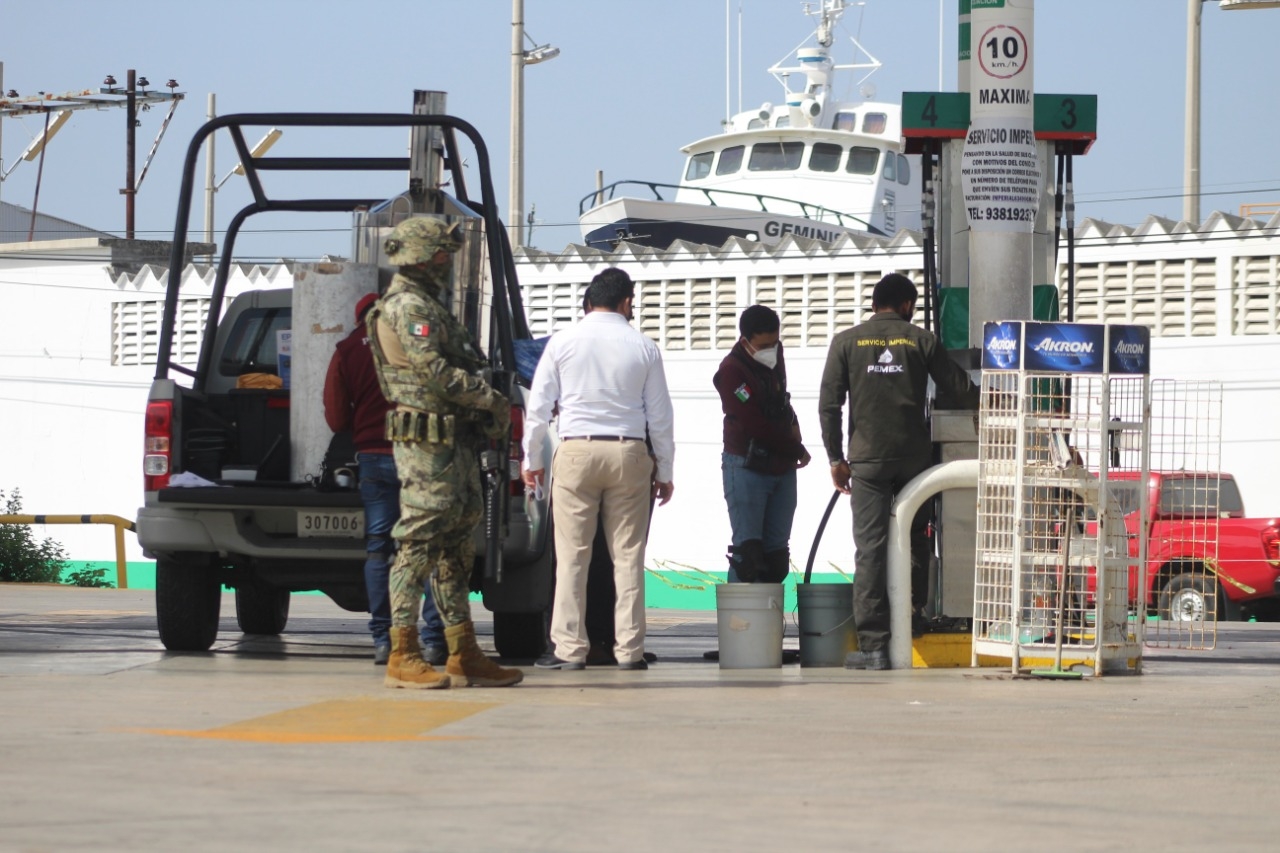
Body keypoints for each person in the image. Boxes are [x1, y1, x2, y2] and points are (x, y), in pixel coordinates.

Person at [365, 216, 523, 689]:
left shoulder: (427, 302)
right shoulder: (409, 305)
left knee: (457, 544)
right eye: (441, 254)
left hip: (454, 441)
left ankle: (462, 650)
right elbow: (433, 371)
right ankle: (403, 649)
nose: (446, 263)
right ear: (422, 256)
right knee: (417, 542)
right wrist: (489, 399)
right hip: (427, 446)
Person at [817, 273, 978, 670]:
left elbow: (829, 405)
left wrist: (836, 458)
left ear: (875, 304)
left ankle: (873, 647)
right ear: (907, 305)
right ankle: (914, 617)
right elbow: (958, 387)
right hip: (914, 461)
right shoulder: (921, 340)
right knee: (915, 538)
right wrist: (1002, 399)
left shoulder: (846, 342)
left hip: (868, 461)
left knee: (870, 550)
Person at [522, 267, 675, 671]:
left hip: (576, 452)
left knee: (573, 557)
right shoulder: (644, 346)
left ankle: (570, 651)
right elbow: (660, 416)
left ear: (590, 300)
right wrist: (665, 470)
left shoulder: (563, 342)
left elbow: (538, 408)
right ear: (626, 302)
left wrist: (530, 460)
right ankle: (630, 651)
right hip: (628, 454)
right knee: (628, 557)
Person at [323, 292, 448, 667]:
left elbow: (335, 416)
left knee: (379, 548)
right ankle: (433, 641)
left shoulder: (347, 349)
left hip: (374, 459)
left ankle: (383, 639)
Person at [715, 304, 811, 582]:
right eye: (764, 345)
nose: (771, 350)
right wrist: (796, 449)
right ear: (746, 342)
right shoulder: (731, 371)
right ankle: (740, 624)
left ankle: (769, 623)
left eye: (775, 342)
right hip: (746, 465)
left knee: (776, 558)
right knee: (749, 556)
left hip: (781, 466)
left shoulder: (775, 354)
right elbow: (754, 423)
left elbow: (780, 400)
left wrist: (794, 428)